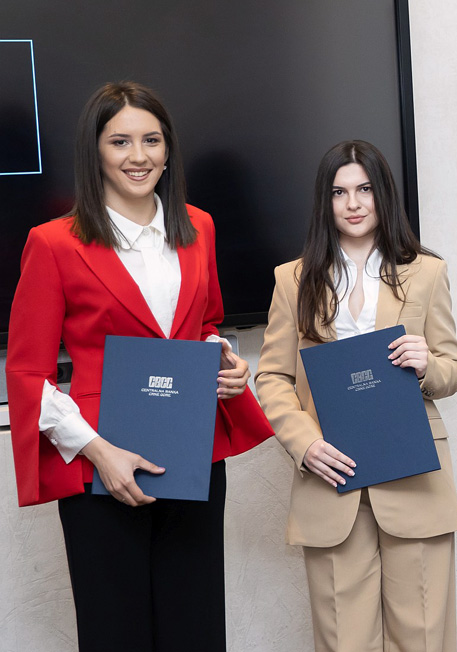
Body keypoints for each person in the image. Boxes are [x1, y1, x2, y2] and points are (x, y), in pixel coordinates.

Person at [5, 81, 274, 651]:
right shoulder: (53, 243)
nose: (139, 156)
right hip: (99, 464)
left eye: (152, 140)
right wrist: (100, 452)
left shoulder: (199, 227)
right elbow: (27, 372)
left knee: (196, 628)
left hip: (191, 452)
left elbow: (206, 324)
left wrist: (225, 362)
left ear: (168, 149)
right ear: (95, 152)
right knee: (115, 633)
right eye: (120, 141)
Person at [255, 140, 457, 652]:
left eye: (364, 189)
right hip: (331, 478)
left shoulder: (427, 272)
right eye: (339, 192)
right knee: (344, 640)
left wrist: (426, 364)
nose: (353, 203)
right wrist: (304, 443)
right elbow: (273, 377)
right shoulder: (292, 279)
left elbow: (453, 370)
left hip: (413, 473)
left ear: (382, 195)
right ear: (324, 202)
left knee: (422, 636)